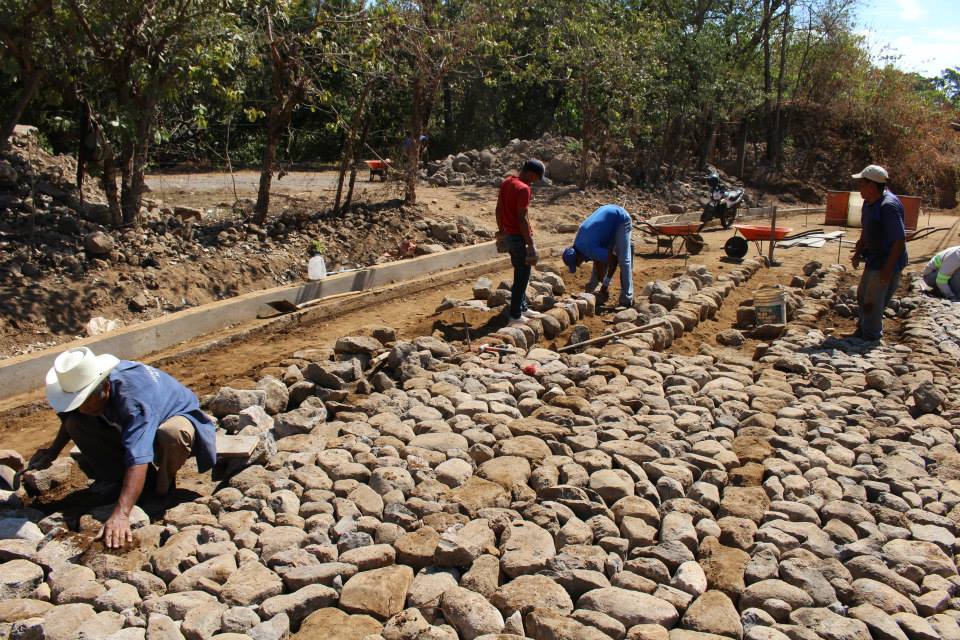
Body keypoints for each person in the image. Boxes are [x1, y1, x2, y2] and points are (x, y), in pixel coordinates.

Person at [29, 347, 217, 548]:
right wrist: (52, 453)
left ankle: (162, 489)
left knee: (172, 434)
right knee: (76, 423)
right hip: (131, 418)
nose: (82, 409)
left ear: (106, 387)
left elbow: (138, 456)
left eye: (85, 402)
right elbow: (69, 420)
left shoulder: (135, 398)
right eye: (77, 403)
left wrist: (121, 514)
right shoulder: (84, 389)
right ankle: (120, 480)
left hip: (175, 416)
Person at [849, 164, 907, 341]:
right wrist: (858, 251)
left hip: (887, 261)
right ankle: (862, 330)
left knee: (872, 301)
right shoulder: (869, 203)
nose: (859, 188)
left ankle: (871, 337)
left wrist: (888, 270)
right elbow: (867, 229)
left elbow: (899, 240)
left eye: (861, 184)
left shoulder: (888, 206)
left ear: (872, 186)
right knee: (862, 295)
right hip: (874, 258)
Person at [495, 159, 545, 322]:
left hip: (509, 235)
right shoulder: (524, 189)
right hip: (519, 237)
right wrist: (530, 244)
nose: (536, 181)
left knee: (522, 272)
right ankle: (515, 315)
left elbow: (498, 209)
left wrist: (502, 230)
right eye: (537, 177)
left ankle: (522, 307)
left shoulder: (507, 182)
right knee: (522, 275)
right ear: (531, 173)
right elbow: (522, 218)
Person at [562, 204, 634, 308]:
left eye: (577, 263)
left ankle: (627, 299)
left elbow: (613, 261)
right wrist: (602, 282)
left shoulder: (589, 249)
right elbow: (598, 260)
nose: (579, 265)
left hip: (620, 219)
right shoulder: (579, 244)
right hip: (607, 220)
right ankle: (594, 289)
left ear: (578, 257)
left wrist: (605, 284)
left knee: (624, 260)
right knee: (601, 259)